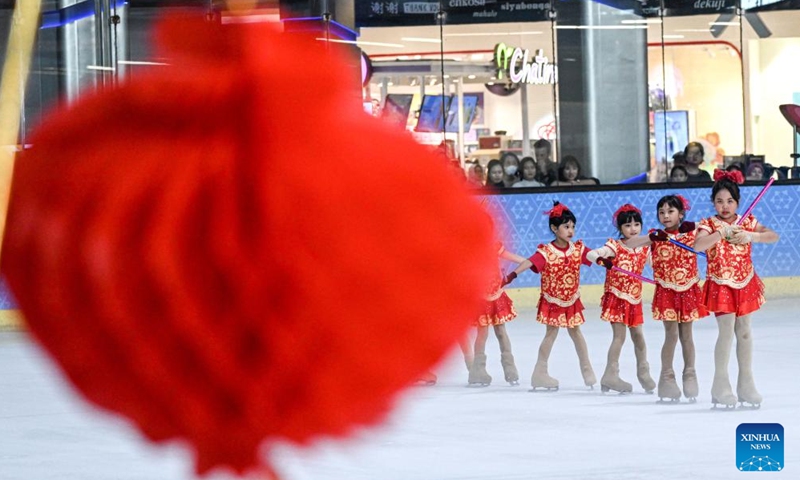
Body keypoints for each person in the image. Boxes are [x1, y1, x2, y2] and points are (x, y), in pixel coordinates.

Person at [693, 169, 779, 408]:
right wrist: (720, 233)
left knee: (745, 333)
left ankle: (746, 385)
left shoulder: (748, 222)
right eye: (719, 201)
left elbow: (773, 236)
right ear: (713, 203)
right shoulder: (708, 224)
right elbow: (699, 244)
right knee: (726, 331)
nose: (725, 206)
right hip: (721, 284)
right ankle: (720, 386)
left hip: (745, 283)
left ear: (737, 202)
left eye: (729, 201)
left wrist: (751, 236)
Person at [626, 195, 708, 403]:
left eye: (670, 211)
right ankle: (667, 378)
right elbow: (630, 244)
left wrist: (698, 225)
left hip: (688, 290)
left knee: (687, 336)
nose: (665, 215)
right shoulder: (656, 235)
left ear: (680, 214)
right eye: (661, 212)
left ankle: (690, 374)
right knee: (671, 335)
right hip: (667, 292)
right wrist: (652, 238)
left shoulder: (691, 232)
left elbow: (712, 226)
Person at [507, 202, 596, 391]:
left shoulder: (577, 249)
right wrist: (512, 275)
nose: (571, 230)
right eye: (566, 226)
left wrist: (607, 259)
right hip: (553, 300)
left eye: (572, 226)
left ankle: (587, 369)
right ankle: (540, 372)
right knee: (551, 333)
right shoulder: (546, 252)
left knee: (576, 332)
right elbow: (530, 262)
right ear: (554, 228)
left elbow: (594, 256)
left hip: (571, 299)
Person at [587, 204, 656, 394]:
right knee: (620, 336)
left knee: (639, 337)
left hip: (634, 298)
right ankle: (611, 374)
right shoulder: (614, 246)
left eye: (636, 224)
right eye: (627, 225)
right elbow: (591, 254)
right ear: (620, 228)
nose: (633, 229)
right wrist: (602, 260)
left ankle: (643, 373)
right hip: (617, 296)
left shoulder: (644, 248)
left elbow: (657, 266)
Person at [467, 242, 532, 387]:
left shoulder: (494, 246)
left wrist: (529, 262)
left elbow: (511, 257)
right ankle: (477, 371)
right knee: (482, 333)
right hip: (481, 297)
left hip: (496, 296)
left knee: (501, 332)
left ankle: (510, 370)